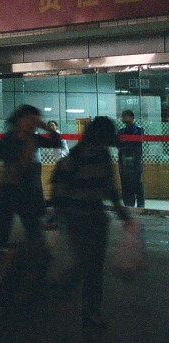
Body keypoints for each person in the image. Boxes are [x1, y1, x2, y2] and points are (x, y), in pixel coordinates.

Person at [50, 116, 134, 333]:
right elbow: (60, 185)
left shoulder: (102, 155)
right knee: (88, 264)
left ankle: (90, 312)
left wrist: (123, 214)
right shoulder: (77, 156)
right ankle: (69, 293)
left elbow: (110, 188)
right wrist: (57, 213)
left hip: (94, 218)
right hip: (78, 218)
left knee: (93, 267)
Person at [0, 104, 63, 247]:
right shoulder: (8, 139)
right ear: (19, 120)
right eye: (29, 119)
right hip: (9, 191)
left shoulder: (35, 139)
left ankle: (34, 261)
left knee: (34, 231)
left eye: (35, 121)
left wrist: (46, 127)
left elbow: (57, 142)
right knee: (2, 231)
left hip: (29, 193)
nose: (32, 123)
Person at [117, 109, 144, 208]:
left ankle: (141, 206)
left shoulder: (139, 130)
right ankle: (129, 206)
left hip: (135, 161)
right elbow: (119, 145)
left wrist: (125, 145)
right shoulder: (121, 131)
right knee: (125, 185)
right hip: (123, 162)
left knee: (137, 184)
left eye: (125, 116)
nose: (123, 118)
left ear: (131, 117)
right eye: (123, 116)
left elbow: (136, 144)